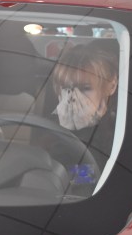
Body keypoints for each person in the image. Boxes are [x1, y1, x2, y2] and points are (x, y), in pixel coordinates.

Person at [49, 43, 119, 182]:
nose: (74, 96)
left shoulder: (121, 130)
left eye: (85, 88)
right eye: (67, 88)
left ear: (111, 86)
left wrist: (83, 131)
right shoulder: (48, 125)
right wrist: (65, 131)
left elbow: (99, 176)